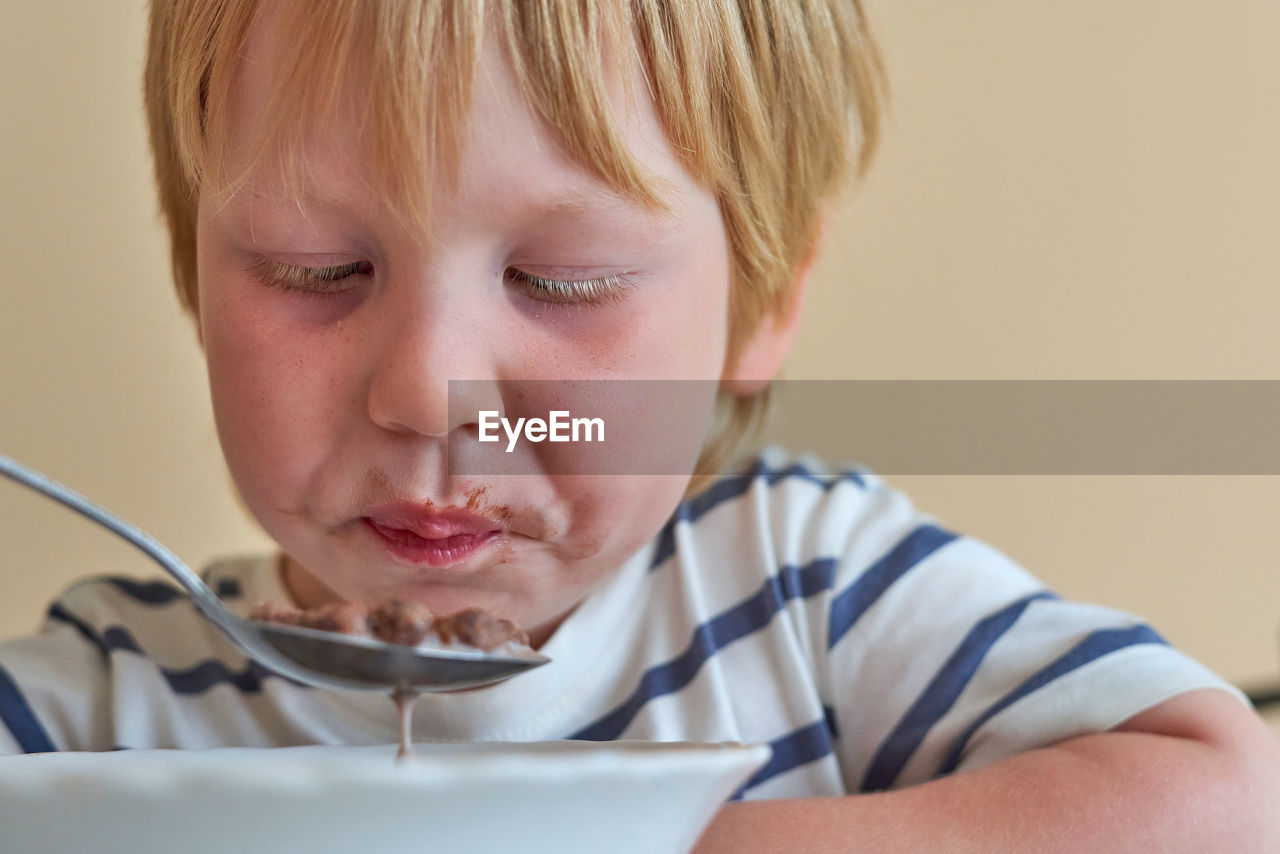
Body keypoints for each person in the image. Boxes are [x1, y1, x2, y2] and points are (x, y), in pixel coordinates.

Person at [2, 0, 1277, 849]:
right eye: (313, 267)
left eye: (561, 283)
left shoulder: (803, 587)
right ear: (192, 275)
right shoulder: (116, 693)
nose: (424, 389)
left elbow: (1222, 797)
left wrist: (657, 837)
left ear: (758, 298)